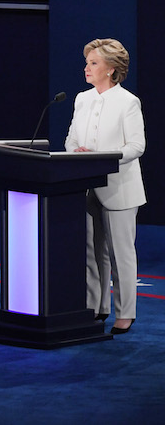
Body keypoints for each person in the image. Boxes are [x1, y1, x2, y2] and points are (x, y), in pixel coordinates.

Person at [65, 38, 145, 335]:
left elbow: (137, 146)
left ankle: (125, 313)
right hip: (86, 186)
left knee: (120, 252)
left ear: (111, 70)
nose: (87, 68)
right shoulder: (81, 99)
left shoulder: (128, 102)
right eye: (87, 62)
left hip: (120, 187)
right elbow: (71, 139)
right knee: (91, 251)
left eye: (93, 63)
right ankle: (96, 306)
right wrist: (77, 153)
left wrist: (100, 158)